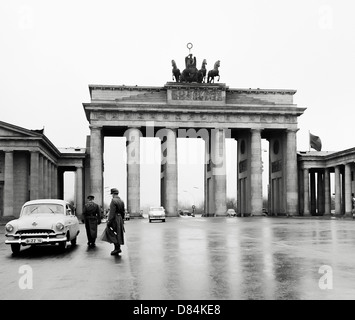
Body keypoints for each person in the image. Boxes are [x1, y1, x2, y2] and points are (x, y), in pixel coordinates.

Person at [101, 188, 125, 255]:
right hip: (119, 218)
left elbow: (112, 212)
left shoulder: (113, 201)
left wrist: (109, 221)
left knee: (111, 232)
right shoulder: (121, 201)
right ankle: (118, 247)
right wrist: (122, 220)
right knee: (118, 233)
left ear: (113, 194)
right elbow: (123, 212)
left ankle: (117, 248)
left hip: (115, 218)